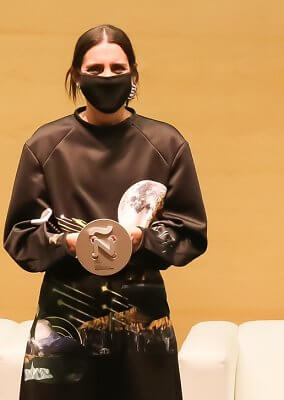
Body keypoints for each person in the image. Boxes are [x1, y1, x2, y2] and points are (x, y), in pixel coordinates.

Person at [3, 24, 207, 400]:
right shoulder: (46, 145)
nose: (107, 76)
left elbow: (191, 231)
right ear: (76, 75)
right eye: (95, 69)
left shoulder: (166, 144)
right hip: (62, 324)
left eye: (117, 68)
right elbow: (19, 235)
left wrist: (141, 239)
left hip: (142, 325)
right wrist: (67, 242)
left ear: (133, 74)